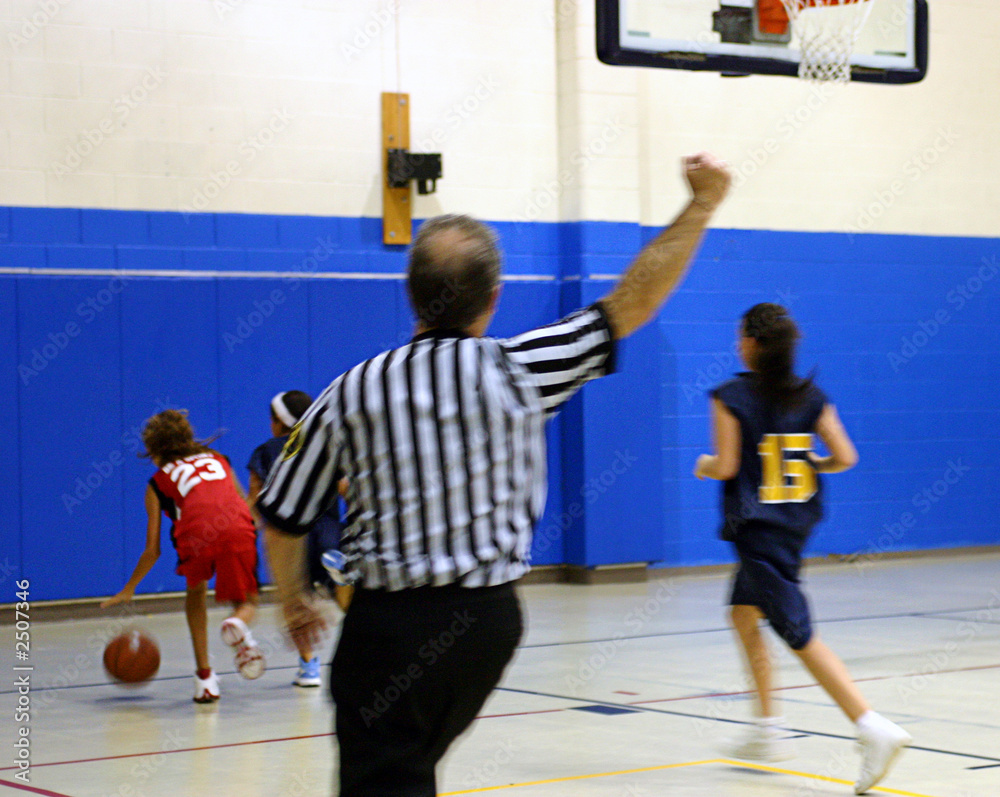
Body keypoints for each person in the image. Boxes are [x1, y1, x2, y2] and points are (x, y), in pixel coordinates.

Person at [258, 152, 732, 796]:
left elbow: (283, 513)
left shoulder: (350, 391)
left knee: (383, 778)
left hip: (390, 629)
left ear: (411, 293)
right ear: (494, 299)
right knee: (410, 769)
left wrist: (292, 599)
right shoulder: (522, 368)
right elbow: (632, 302)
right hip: (487, 625)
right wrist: (701, 203)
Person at [694, 303, 912, 795]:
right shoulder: (810, 396)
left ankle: (872, 726)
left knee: (799, 633)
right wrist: (813, 462)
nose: (736, 345)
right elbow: (846, 456)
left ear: (752, 343)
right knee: (743, 614)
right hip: (795, 524)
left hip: (758, 530)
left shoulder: (729, 395)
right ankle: (767, 730)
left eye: (739, 336)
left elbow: (727, 466)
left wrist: (704, 463)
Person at [102, 409, 265, 703]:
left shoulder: (156, 483)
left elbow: (152, 550)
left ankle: (205, 680)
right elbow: (243, 503)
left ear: (154, 449)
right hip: (235, 526)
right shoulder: (218, 459)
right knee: (247, 601)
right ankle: (239, 624)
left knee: (195, 592)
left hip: (195, 535)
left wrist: (129, 588)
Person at [246, 390, 351, 688]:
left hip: (290, 533)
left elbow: (255, 499)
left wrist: (249, 527)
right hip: (328, 527)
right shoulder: (324, 445)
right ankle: (340, 582)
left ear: (278, 422)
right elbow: (345, 487)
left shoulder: (265, 451)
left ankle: (309, 668)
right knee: (338, 585)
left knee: (298, 598)